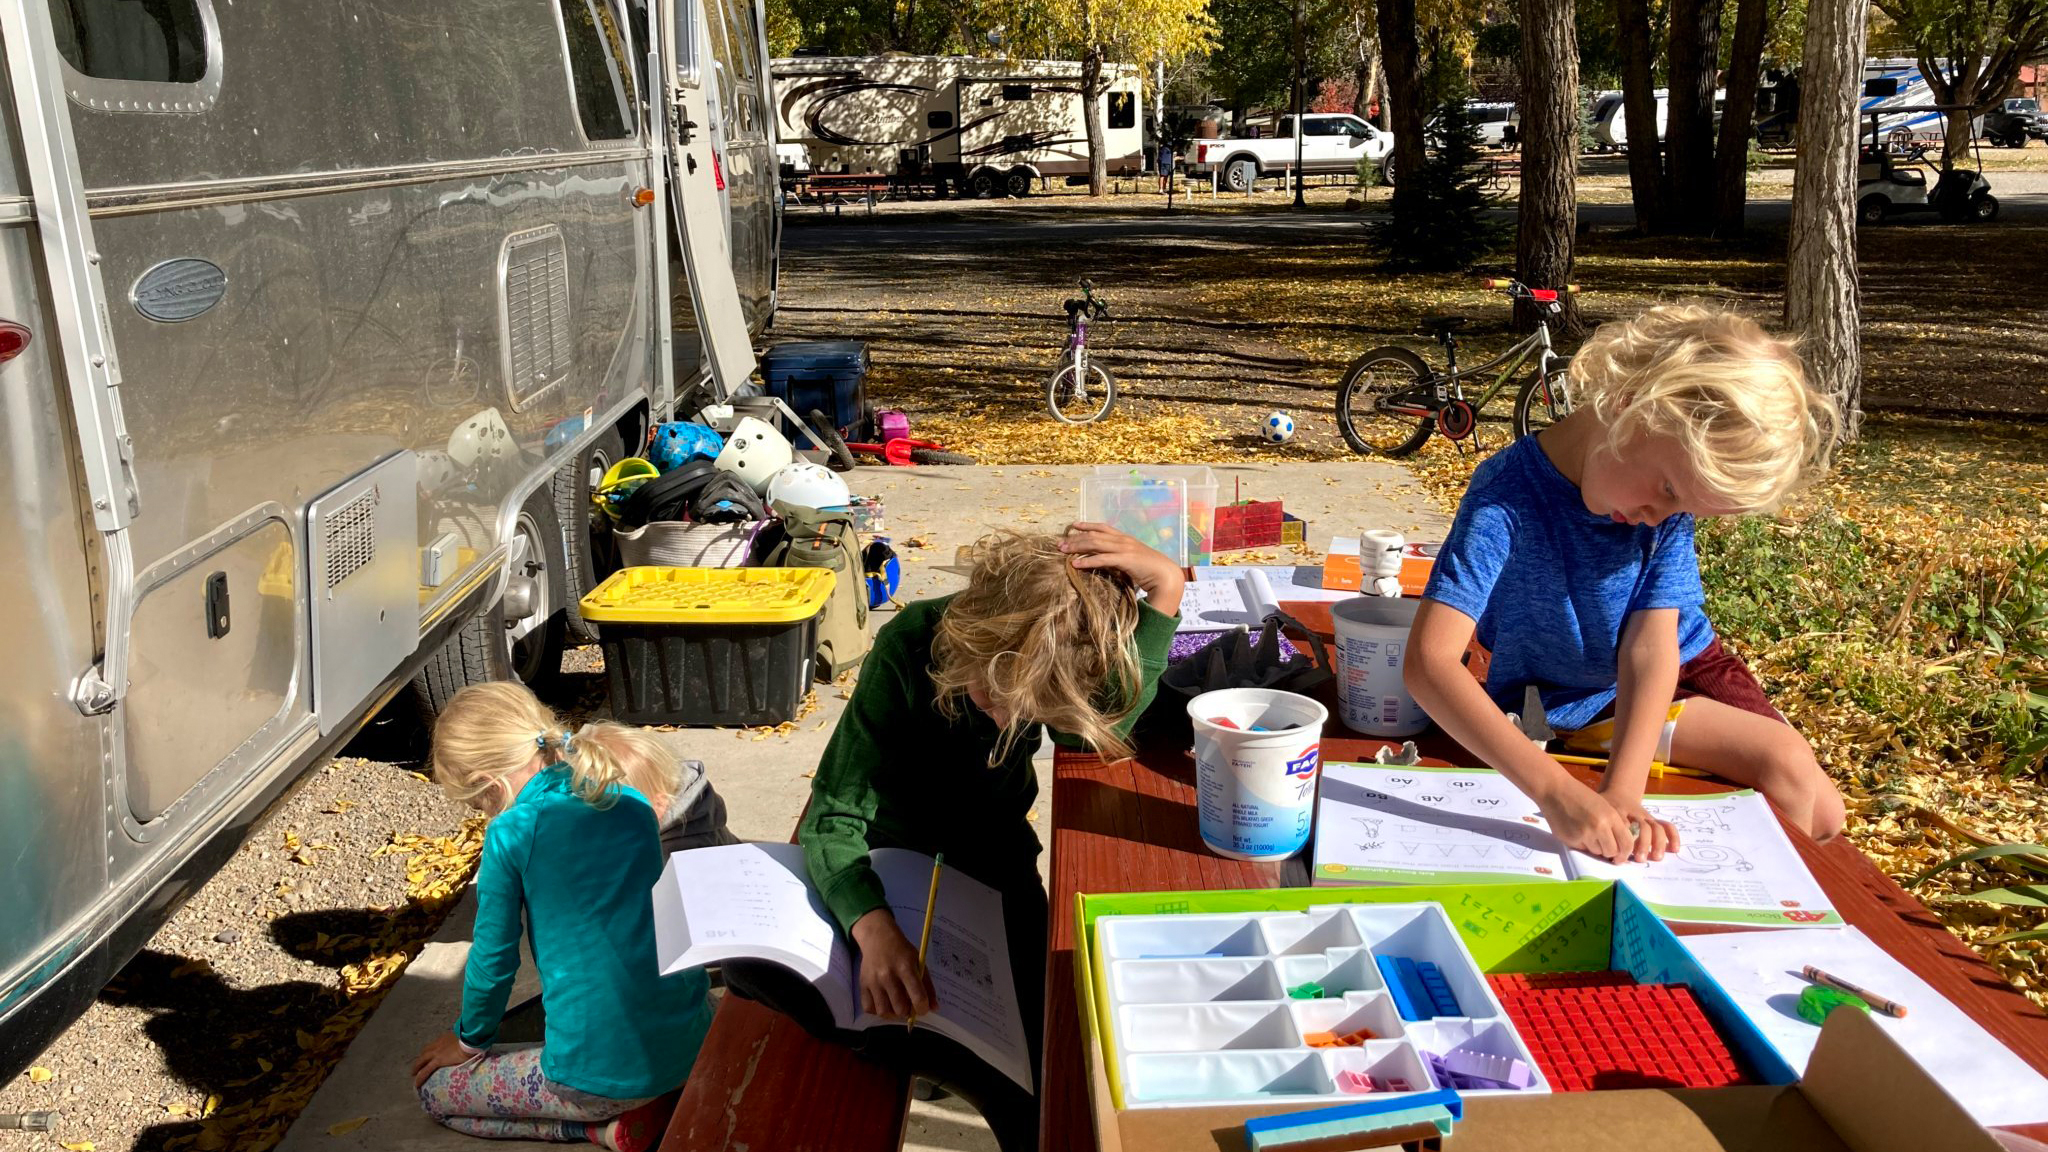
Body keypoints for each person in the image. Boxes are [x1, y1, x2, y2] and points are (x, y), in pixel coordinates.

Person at [725, 524, 1183, 1152]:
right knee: (755, 964)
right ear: (969, 635)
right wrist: (871, 923)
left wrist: (1165, 592)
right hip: (884, 862)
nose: (1001, 717)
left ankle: (946, 1059)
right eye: (991, 694)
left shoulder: (1056, 660)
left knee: (1044, 1065)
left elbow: (1087, 737)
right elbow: (834, 812)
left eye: (1025, 711)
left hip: (993, 866)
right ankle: (928, 1051)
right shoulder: (910, 642)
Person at [1404, 304, 1846, 865]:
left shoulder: (1659, 508)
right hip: (1584, 696)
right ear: (1628, 404)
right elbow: (1429, 662)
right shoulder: (1506, 496)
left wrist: (1624, 791)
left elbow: (1653, 645)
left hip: (1679, 664)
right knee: (1783, 765)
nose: (1658, 516)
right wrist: (1557, 794)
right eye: (1666, 489)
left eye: (1682, 506)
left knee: (1824, 813)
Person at [410, 682, 714, 1152]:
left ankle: (596, 1129)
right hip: (691, 1042)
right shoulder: (627, 799)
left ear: (491, 784)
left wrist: (469, 1041)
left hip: (598, 1078)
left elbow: (494, 960)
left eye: (478, 805)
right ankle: (652, 1097)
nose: (483, 814)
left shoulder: (512, 833)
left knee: (434, 1093)